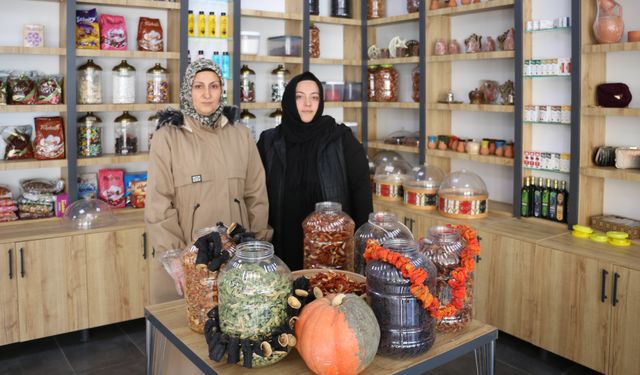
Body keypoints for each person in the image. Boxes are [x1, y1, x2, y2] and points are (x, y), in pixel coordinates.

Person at [146, 59, 271, 294]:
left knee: (234, 323)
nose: (207, 94)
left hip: (235, 258)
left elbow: (256, 196)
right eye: (198, 86)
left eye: (214, 86)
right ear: (187, 90)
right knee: (182, 327)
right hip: (187, 259)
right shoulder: (167, 138)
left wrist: (255, 245)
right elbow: (158, 203)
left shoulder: (241, 135)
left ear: (221, 91)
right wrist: (175, 256)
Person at [257, 71, 372, 271]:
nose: (308, 104)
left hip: (332, 249)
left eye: (314, 97)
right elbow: (255, 193)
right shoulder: (269, 142)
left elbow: (361, 194)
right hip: (282, 249)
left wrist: (364, 249)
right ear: (288, 100)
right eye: (299, 97)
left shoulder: (341, 139)